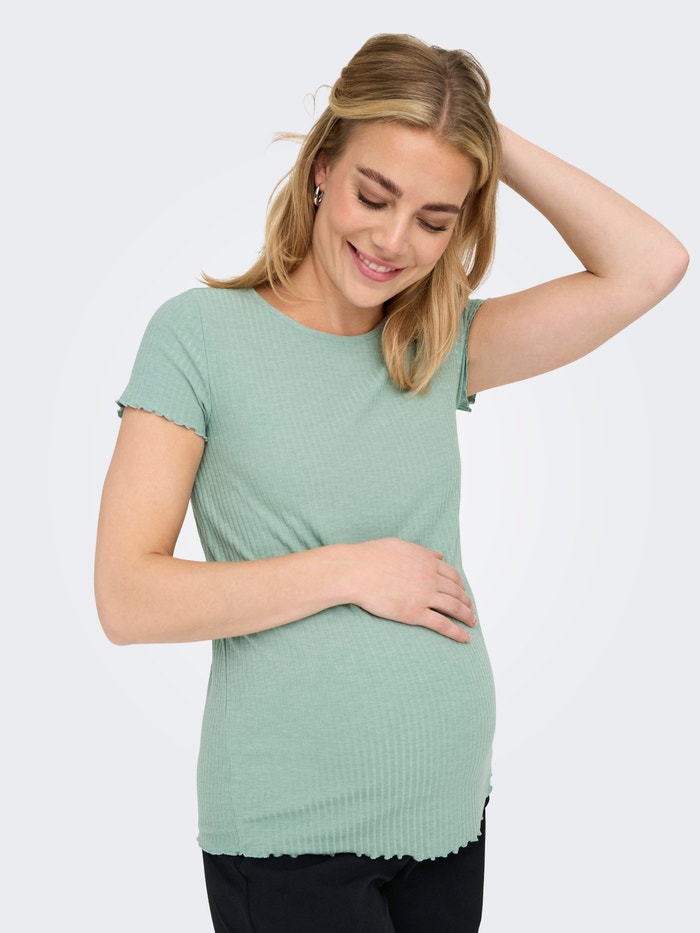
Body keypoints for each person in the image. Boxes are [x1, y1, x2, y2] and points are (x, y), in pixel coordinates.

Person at [94, 32, 688, 933]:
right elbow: (127, 597)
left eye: (435, 217)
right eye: (374, 194)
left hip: (446, 812)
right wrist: (349, 570)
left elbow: (651, 265)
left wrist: (478, 130)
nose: (392, 240)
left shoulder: (435, 344)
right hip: (289, 835)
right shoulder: (199, 337)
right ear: (322, 167)